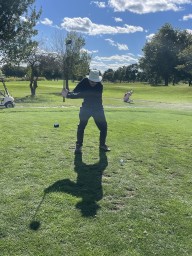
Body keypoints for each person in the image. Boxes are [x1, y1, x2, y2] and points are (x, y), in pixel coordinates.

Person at [62, 69, 110, 154]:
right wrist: (68, 92)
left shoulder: (99, 86)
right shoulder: (84, 81)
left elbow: (84, 94)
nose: (93, 83)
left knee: (104, 127)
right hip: (86, 108)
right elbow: (76, 91)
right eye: (91, 81)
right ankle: (78, 146)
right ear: (89, 79)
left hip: (97, 109)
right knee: (81, 127)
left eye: (95, 81)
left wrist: (68, 95)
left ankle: (102, 145)